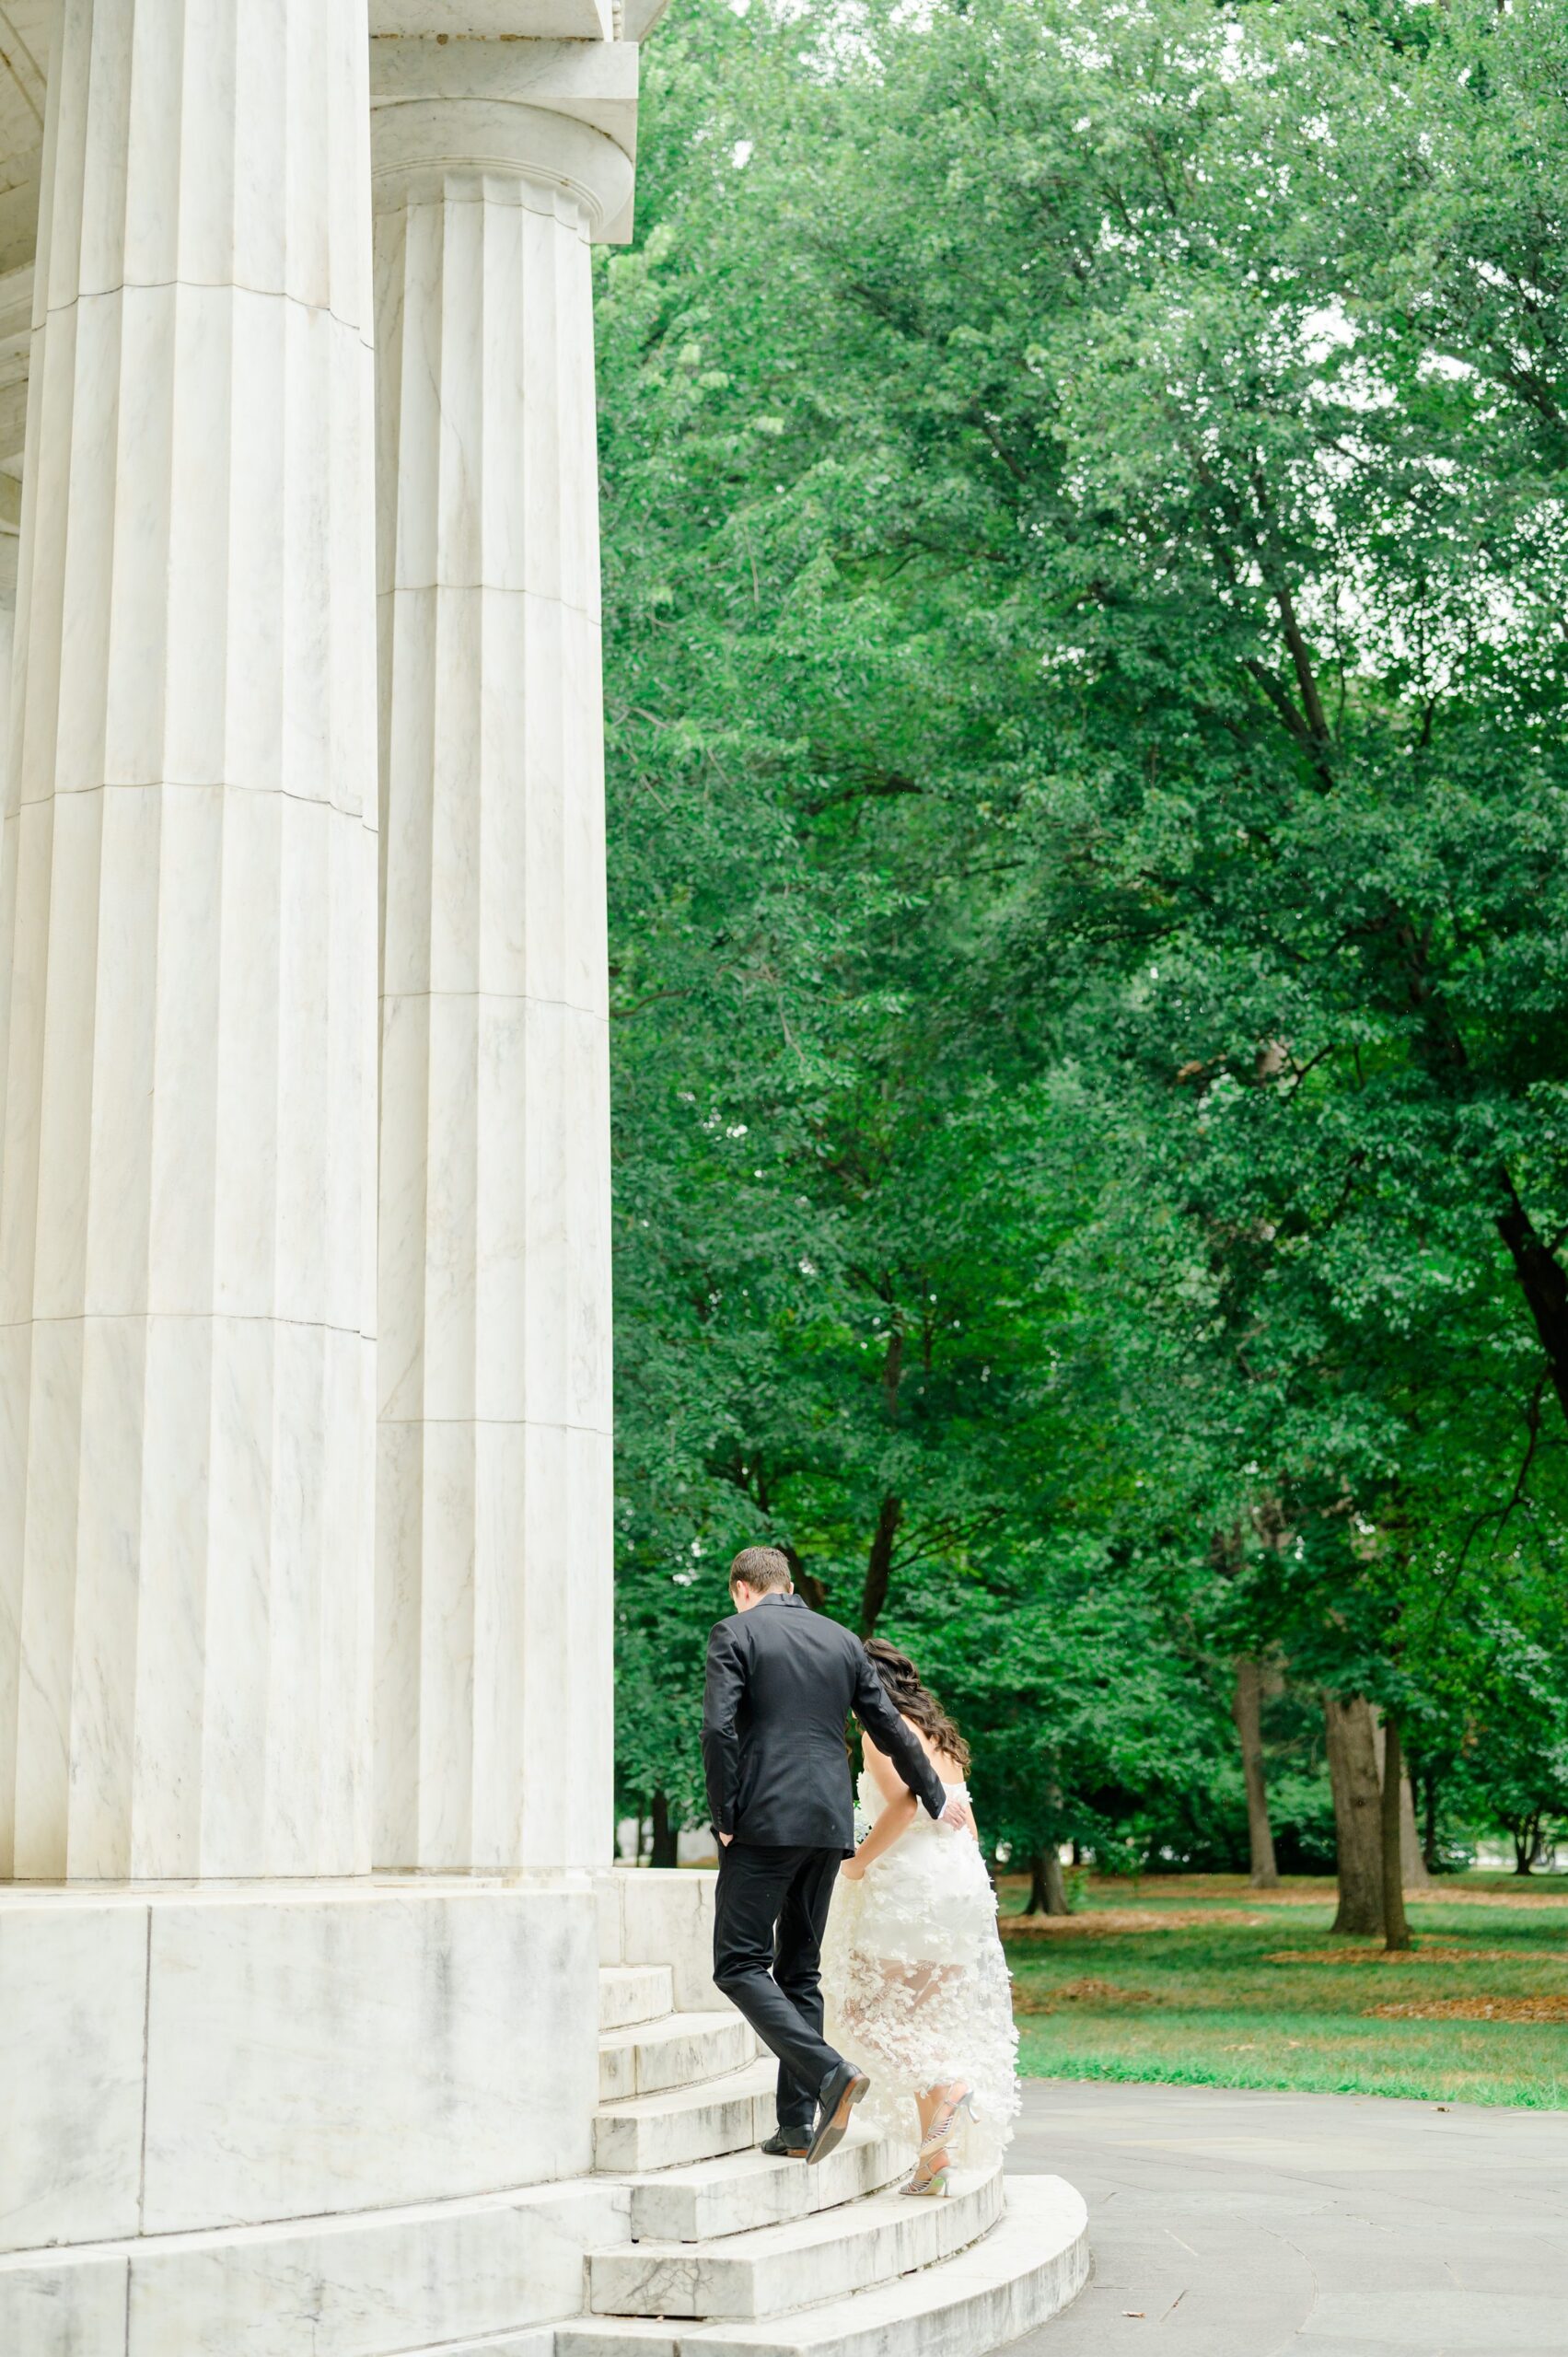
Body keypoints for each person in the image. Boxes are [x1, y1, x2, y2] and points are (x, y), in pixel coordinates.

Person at [702, 1548, 973, 2164]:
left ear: (741, 1589)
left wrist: (723, 1816)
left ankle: (829, 2074)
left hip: (764, 1821)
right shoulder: (841, 1639)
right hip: (826, 1823)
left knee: (738, 1964)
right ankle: (795, 2126)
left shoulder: (734, 1632)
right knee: (798, 1971)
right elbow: (888, 1727)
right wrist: (934, 1797)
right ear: (789, 1586)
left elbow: (717, 1729)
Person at [821, 1638, 1019, 2195]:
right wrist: (977, 1894)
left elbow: (906, 1805)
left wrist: (856, 1864)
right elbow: (967, 1820)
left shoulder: (878, 1733)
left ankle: (948, 2084)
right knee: (922, 2022)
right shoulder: (941, 1737)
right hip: (959, 1885)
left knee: (858, 2015)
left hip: (908, 1888)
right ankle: (934, 2159)